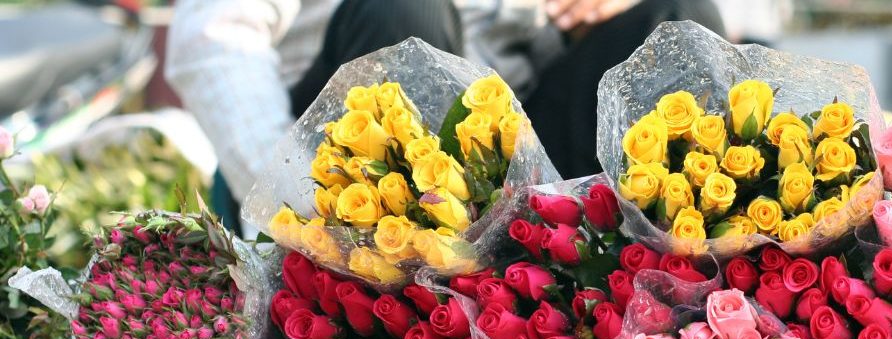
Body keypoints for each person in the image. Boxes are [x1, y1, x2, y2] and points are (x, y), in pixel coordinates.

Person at [165, 0, 724, 233]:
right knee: (404, 10)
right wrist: (293, 202)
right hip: (351, 160)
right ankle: (423, 276)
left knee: (674, 16)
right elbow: (212, 45)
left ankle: (655, 272)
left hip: (510, 134)